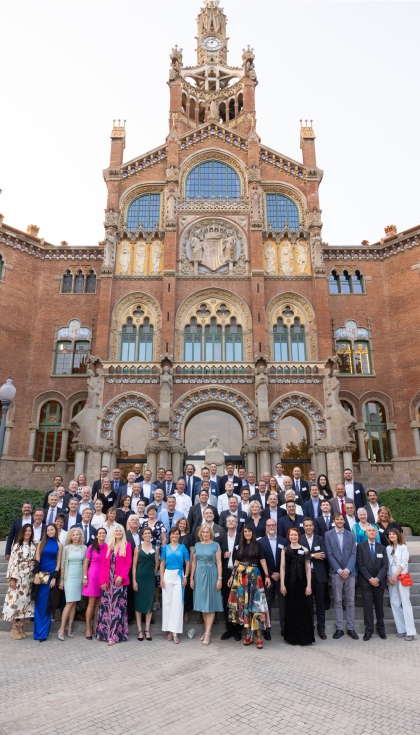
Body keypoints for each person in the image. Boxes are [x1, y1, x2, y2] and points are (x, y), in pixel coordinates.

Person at [227, 524, 271, 648]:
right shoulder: (240, 546)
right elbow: (236, 561)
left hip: (254, 577)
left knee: (257, 606)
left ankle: (258, 636)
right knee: (244, 606)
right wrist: (232, 576)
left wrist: (267, 576)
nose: (247, 533)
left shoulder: (258, 545)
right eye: (245, 531)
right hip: (241, 578)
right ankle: (248, 634)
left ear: (253, 532)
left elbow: (262, 560)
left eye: (249, 531)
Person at [97, 526, 133, 645]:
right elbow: (103, 564)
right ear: (114, 533)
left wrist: (121, 576)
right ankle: (104, 633)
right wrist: (102, 581)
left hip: (119, 581)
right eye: (116, 531)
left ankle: (114, 635)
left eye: (120, 531)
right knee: (106, 607)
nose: (118, 532)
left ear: (123, 533)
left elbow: (128, 563)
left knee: (116, 609)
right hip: (108, 581)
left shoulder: (127, 545)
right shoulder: (108, 546)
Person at [325, 513, 358, 640]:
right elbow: (329, 554)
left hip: (350, 573)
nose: (339, 521)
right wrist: (339, 570)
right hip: (336, 573)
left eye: (341, 519)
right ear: (334, 521)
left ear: (344, 521)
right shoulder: (328, 534)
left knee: (351, 601)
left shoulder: (350, 534)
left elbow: (353, 553)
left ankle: (350, 627)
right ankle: (339, 628)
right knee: (338, 601)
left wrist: (348, 569)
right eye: (337, 519)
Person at [190, 524, 223, 645]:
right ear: (200, 534)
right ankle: (206, 630)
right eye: (203, 532)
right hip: (199, 575)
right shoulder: (197, 545)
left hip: (212, 574)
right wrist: (191, 578)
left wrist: (220, 578)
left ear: (211, 533)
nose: (205, 534)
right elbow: (193, 563)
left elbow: (219, 563)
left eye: (207, 532)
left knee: (211, 602)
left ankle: (208, 633)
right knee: (203, 604)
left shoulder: (215, 545)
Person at [280, 528, 314, 646]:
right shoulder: (285, 550)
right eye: (291, 535)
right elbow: (282, 568)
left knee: (303, 610)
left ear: (298, 536)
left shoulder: (305, 550)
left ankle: (304, 638)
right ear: (288, 536)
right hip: (290, 583)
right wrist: (282, 584)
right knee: (291, 610)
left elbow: (308, 569)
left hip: (302, 583)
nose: (293, 537)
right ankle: (292, 638)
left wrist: (309, 585)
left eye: (295, 535)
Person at [2, 524, 36, 639]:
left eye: (30, 531)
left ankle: (21, 625)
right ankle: (14, 626)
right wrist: (13, 579)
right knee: (15, 602)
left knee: (26, 602)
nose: (28, 533)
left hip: (29, 579)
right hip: (19, 577)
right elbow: (13, 563)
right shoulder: (17, 545)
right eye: (26, 531)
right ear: (22, 532)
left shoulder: (33, 545)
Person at [258, 519, 289, 639]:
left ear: (276, 526)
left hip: (282, 578)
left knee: (283, 604)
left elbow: (287, 559)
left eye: (273, 525)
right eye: (269, 525)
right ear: (265, 527)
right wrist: (270, 574)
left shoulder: (283, 541)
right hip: (268, 578)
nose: (271, 526)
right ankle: (267, 629)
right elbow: (260, 561)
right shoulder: (261, 542)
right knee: (267, 604)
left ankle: (284, 627)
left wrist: (281, 574)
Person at [357, 525, 388, 641]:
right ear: (366, 533)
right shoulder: (360, 546)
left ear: (376, 533)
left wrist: (377, 579)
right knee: (368, 607)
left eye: (373, 531)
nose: (371, 532)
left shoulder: (382, 548)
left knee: (379, 607)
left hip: (379, 583)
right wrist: (370, 578)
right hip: (366, 582)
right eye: (369, 530)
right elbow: (360, 564)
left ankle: (381, 630)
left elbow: (385, 566)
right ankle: (368, 631)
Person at [160, 526, 190, 644]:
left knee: (177, 604)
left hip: (179, 575)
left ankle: (175, 631)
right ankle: (168, 629)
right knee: (167, 603)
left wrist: (186, 577)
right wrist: (162, 578)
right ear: (170, 535)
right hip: (167, 575)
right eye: (172, 534)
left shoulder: (183, 547)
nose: (175, 536)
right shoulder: (165, 548)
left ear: (179, 535)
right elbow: (162, 564)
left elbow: (188, 563)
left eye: (177, 534)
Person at [33, 523, 63, 641]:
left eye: (52, 530)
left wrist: (55, 577)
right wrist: (36, 575)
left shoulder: (59, 544)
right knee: (40, 602)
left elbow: (59, 562)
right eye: (48, 530)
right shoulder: (41, 543)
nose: (50, 531)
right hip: (42, 574)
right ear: (46, 531)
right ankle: (38, 633)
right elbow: (37, 560)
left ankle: (44, 633)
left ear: (55, 531)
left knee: (48, 603)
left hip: (51, 574)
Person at [300, 518, 328, 640]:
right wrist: (312, 555)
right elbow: (298, 556)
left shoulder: (320, 539)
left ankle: (321, 628)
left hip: (319, 575)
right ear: (303, 527)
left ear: (313, 526)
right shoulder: (300, 539)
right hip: (305, 576)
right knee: (307, 603)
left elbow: (323, 555)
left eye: (310, 525)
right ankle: (309, 626)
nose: (309, 527)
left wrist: (308, 555)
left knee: (320, 604)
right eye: (306, 525)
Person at [387, 529, 417, 641]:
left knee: (405, 602)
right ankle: (402, 629)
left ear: (398, 535)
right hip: (391, 578)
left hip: (402, 576)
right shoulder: (388, 548)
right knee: (394, 603)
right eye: (390, 534)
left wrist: (395, 575)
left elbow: (404, 562)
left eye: (393, 534)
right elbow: (387, 564)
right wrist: (389, 577)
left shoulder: (403, 547)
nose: (391, 535)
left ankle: (411, 631)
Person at [57, 527, 87, 640]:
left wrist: (84, 578)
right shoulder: (66, 548)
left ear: (80, 536)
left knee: (74, 604)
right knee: (69, 602)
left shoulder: (84, 548)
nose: (75, 536)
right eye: (73, 535)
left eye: (77, 534)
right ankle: (61, 629)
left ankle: (69, 629)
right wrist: (61, 580)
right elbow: (63, 565)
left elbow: (85, 564)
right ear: (70, 536)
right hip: (69, 577)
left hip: (79, 577)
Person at [133, 526, 159, 641]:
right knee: (138, 603)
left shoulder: (155, 548)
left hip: (150, 578)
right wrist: (134, 580)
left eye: (149, 533)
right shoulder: (137, 548)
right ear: (142, 536)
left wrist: (152, 574)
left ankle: (147, 629)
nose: (147, 535)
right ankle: (139, 629)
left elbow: (157, 564)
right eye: (145, 534)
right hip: (139, 576)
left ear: (151, 535)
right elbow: (134, 565)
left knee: (149, 602)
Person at [83, 527, 107, 639]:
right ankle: (87, 627)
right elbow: (86, 563)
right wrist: (85, 577)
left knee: (99, 603)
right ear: (96, 535)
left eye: (104, 533)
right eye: (100, 533)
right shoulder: (91, 547)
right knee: (91, 603)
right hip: (92, 576)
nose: (102, 535)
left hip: (103, 577)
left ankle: (96, 626)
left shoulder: (108, 547)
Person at [220, 516, 241, 641]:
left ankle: (237, 629)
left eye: (233, 520)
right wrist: (224, 555)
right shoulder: (221, 537)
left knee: (237, 601)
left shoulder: (241, 536)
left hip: (238, 572)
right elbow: (216, 554)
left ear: (237, 523)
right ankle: (229, 628)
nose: (231, 522)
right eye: (229, 521)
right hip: (225, 573)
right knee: (227, 601)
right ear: (226, 524)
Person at [175, 517, 194, 623]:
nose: (182, 525)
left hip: (186, 565)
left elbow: (192, 552)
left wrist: (190, 565)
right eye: (180, 523)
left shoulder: (189, 536)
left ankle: (186, 612)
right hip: (175, 566)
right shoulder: (174, 534)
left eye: (184, 524)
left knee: (186, 589)